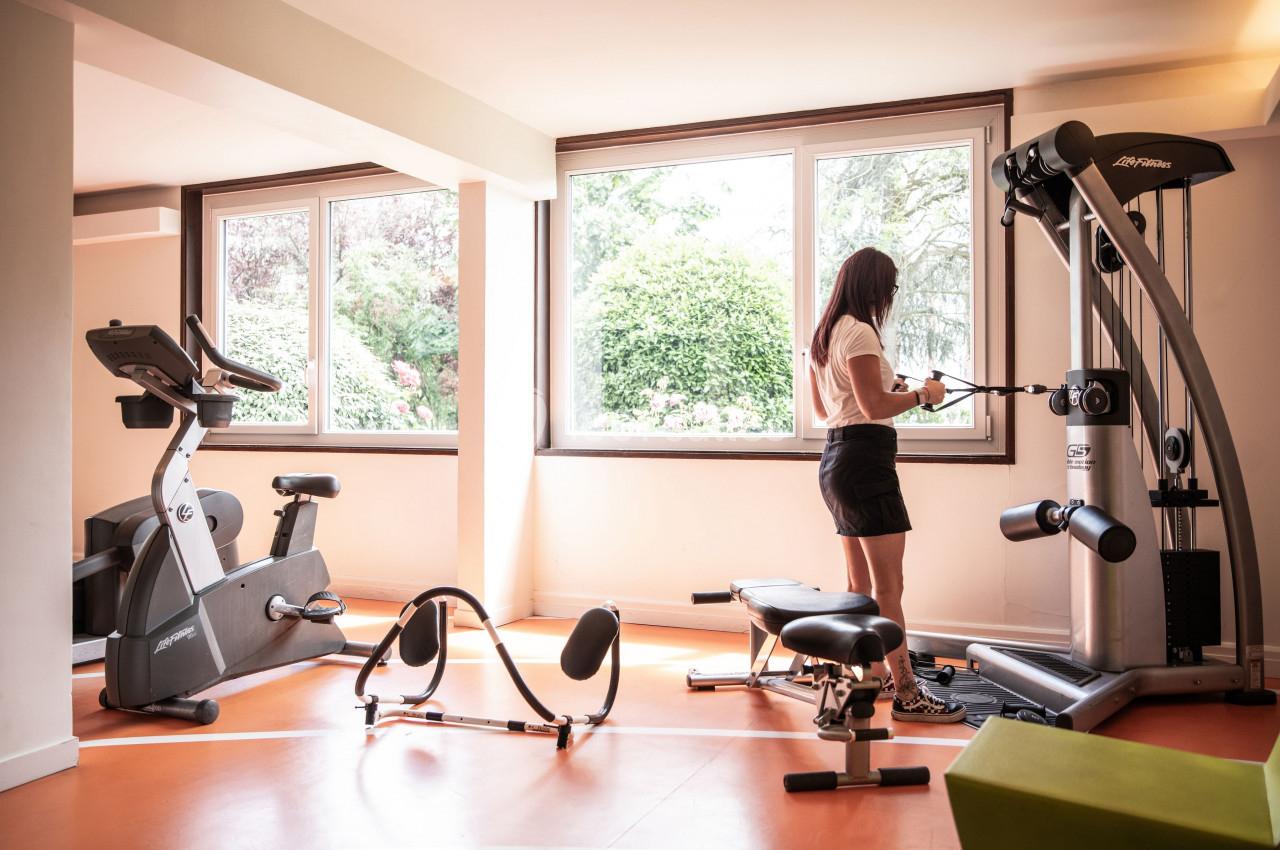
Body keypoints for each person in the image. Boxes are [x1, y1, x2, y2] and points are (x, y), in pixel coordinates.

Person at [808, 247, 965, 723]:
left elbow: (826, 411)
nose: (889, 297)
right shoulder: (858, 331)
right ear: (876, 287)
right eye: (890, 288)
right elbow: (874, 409)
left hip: (836, 460)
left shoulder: (825, 335)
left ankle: (870, 675)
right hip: (865, 462)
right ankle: (908, 694)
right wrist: (922, 395)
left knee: (859, 584)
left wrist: (889, 389)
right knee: (889, 588)